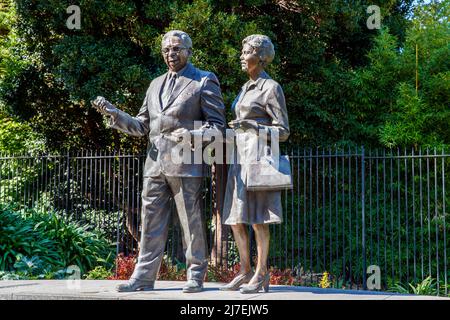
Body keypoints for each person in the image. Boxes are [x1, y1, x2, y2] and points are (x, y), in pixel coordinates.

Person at [92, 30, 225, 293]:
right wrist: (115, 114)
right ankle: (143, 277)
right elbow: (142, 126)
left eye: (176, 49)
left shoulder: (203, 80)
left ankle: (196, 274)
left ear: (188, 51)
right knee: (150, 223)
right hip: (154, 165)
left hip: (186, 162)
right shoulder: (155, 84)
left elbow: (218, 127)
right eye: (166, 50)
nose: (170, 54)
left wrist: (192, 135)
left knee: (191, 222)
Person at [221, 35, 290, 294]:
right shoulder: (245, 88)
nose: (241, 56)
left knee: (258, 220)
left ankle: (261, 274)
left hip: (260, 160)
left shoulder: (271, 88)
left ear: (260, 57)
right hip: (239, 160)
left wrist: (254, 126)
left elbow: (283, 131)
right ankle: (244, 271)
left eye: (246, 51)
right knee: (235, 219)